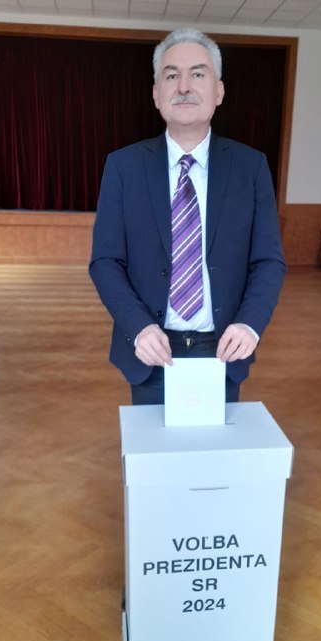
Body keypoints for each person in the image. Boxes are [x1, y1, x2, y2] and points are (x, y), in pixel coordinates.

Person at [90, 27, 286, 405]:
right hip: (151, 350)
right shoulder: (123, 167)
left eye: (197, 74)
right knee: (153, 444)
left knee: (216, 445)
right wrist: (138, 326)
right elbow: (105, 261)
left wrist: (250, 324)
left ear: (219, 91)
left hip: (223, 350)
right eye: (171, 76)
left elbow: (268, 261)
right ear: (155, 94)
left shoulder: (251, 167)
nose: (183, 86)